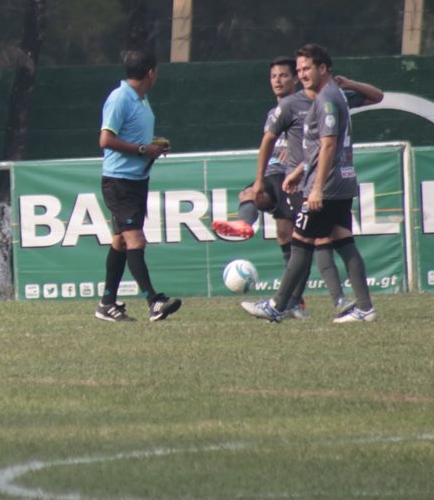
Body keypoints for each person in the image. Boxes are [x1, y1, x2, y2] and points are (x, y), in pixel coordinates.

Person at [215, 58, 382, 314]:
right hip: (293, 178)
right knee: (290, 229)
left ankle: (296, 302)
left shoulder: (325, 99)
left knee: (311, 239)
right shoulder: (284, 109)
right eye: (273, 76)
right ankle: (247, 227)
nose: (278, 80)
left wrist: (300, 169)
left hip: (310, 181)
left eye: (285, 75)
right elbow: (271, 142)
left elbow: (372, 101)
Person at [94, 49, 181, 323]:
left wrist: (153, 145)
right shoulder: (120, 98)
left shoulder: (141, 99)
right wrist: (144, 149)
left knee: (120, 242)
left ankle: (107, 303)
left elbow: (133, 138)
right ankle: (154, 301)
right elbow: (105, 140)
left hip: (136, 181)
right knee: (135, 240)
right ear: (151, 73)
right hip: (119, 181)